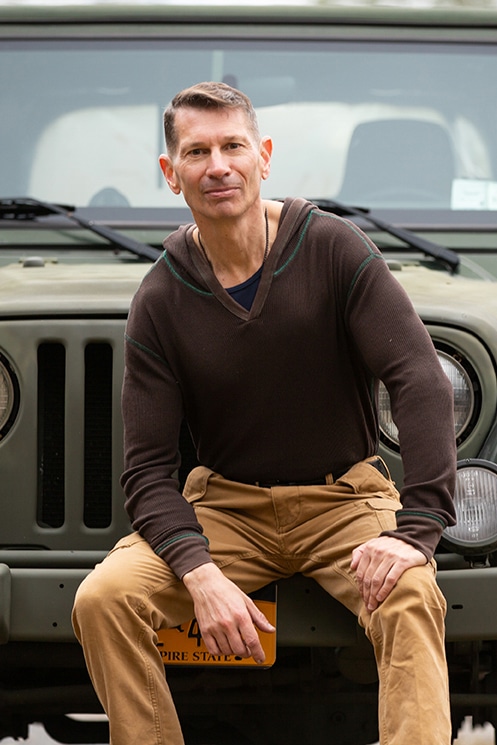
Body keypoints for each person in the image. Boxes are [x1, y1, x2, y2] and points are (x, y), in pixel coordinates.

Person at [72, 81, 457, 744]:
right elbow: (147, 470)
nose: (217, 164)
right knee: (103, 599)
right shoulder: (161, 296)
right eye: (197, 151)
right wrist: (200, 572)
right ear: (171, 173)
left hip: (345, 498)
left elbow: (417, 378)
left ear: (264, 156)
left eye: (232, 146)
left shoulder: (333, 248)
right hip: (227, 507)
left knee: (411, 595)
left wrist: (415, 526)